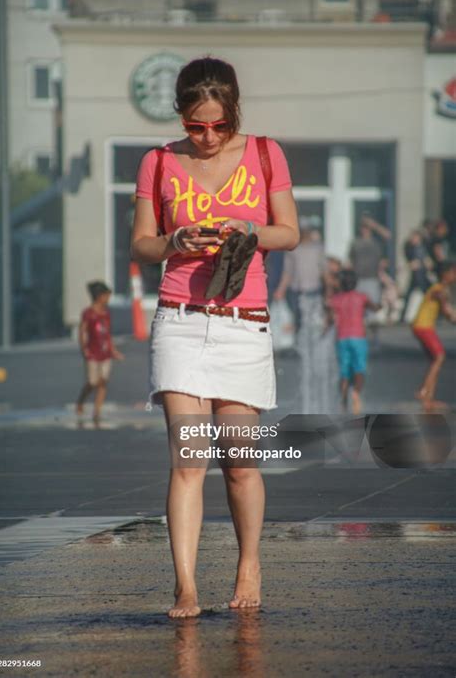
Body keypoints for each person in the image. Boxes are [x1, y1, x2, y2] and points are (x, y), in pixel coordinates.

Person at [131, 57, 299, 618]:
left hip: (244, 322)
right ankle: (185, 586)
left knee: (241, 463)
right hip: (179, 320)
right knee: (189, 460)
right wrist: (175, 238)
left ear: (233, 116)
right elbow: (142, 245)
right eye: (195, 125)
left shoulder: (265, 152)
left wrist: (249, 229)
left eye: (219, 125)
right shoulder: (157, 162)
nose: (206, 137)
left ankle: (249, 562)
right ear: (180, 114)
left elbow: (290, 233)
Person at [327, 269, 380, 415]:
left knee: (344, 372)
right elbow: (374, 308)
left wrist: (323, 332)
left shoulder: (336, 299)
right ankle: (356, 392)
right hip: (358, 338)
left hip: (342, 338)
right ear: (356, 283)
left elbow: (330, 319)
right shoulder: (362, 297)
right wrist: (381, 305)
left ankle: (343, 403)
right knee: (359, 369)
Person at [76, 281, 124, 426]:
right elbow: (82, 331)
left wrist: (113, 350)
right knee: (92, 381)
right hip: (92, 352)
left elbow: (107, 333)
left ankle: (97, 411)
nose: (108, 299)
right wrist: (84, 348)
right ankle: (81, 401)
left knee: (103, 381)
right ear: (99, 296)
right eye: (106, 296)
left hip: (105, 352)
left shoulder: (106, 313)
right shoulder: (88, 313)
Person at [412, 260, 456, 411]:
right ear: (446, 274)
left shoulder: (440, 288)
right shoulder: (439, 289)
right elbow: (446, 310)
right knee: (439, 357)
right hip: (423, 327)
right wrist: (450, 313)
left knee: (434, 360)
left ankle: (428, 400)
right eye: (454, 272)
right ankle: (424, 391)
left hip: (422, 326)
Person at [349, 216, 391, 345]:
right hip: (359, 279)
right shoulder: (355, 243)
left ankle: (375, 338)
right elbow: (351, 260)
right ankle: (361, 337)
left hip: (372, 279)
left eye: (367, 227)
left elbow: (388, 235)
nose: (365, 230)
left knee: (373, 311)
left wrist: (373, 224)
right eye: (363, 227)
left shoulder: (376, 242)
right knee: (358, 311)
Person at [400, 229, 433, 322]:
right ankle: (403, 315)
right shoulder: (410, 248)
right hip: (415, 276)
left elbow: (426, 261)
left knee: (427, 295)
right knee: (408, 296)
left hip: (421, 276)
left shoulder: (422, 248)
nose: (412, 239)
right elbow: (411, 262)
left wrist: (425, 264)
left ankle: (431, 314)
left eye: (414, 237)